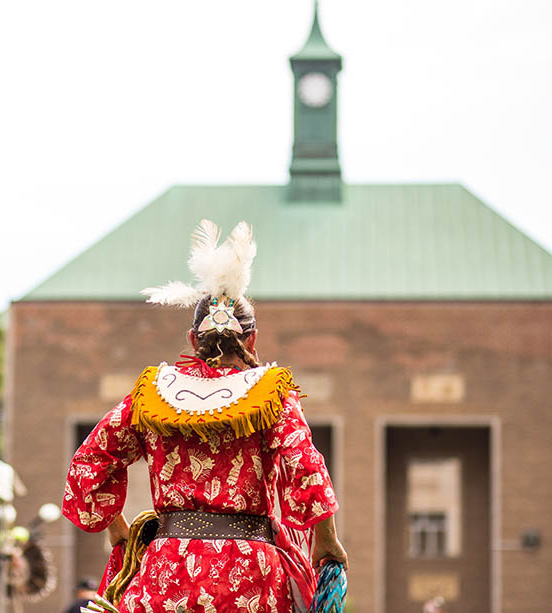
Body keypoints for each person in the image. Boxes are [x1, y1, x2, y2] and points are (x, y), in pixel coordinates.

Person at [62, 220, 348, 612]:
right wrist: (327, 541)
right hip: (250, 574)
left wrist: (117, 530)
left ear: (193, 340)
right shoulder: (272, 392)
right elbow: (305, 464)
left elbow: (89, 462)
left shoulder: (152, 393)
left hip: (166, 571)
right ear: (252, 339)